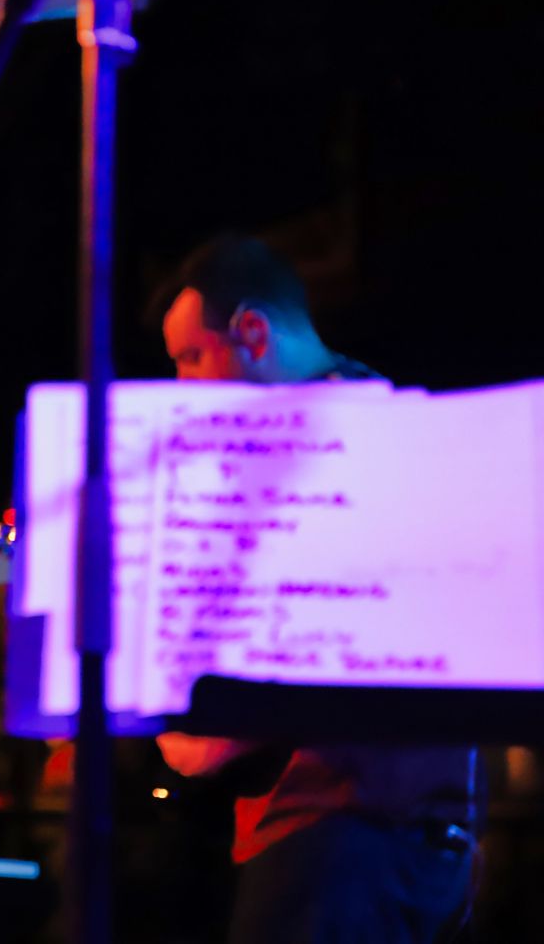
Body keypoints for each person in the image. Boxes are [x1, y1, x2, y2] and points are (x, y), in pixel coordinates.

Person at [155, 234, 480, 944]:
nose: (181, 390)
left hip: (338, 840)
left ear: (253, 331)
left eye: (192, 358)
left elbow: (291, 670)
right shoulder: (387, 423)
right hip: (406, 844)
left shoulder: (326, 449)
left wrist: (196, 728)